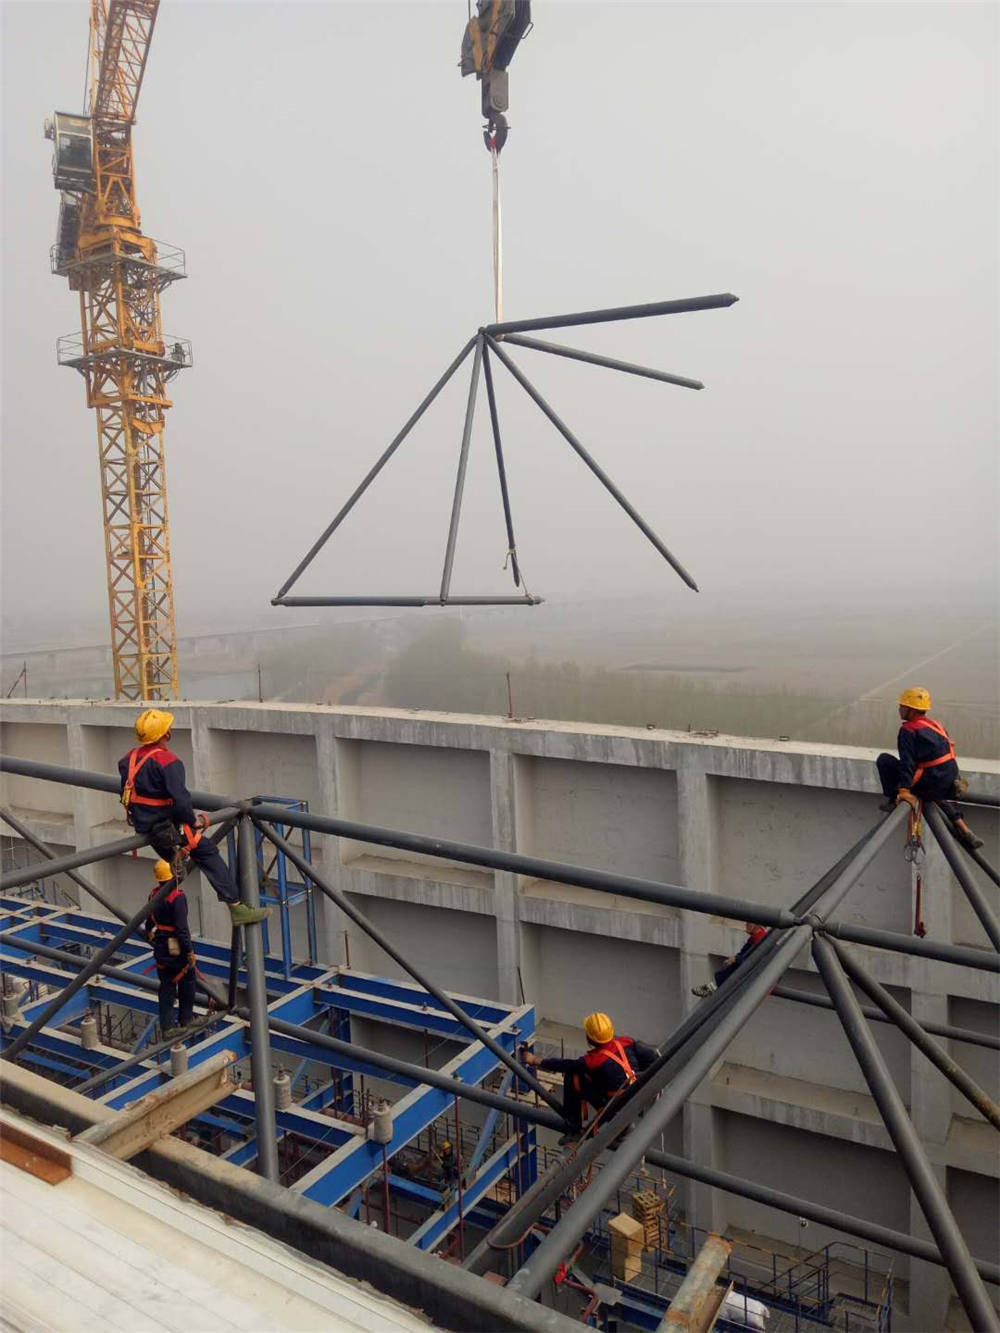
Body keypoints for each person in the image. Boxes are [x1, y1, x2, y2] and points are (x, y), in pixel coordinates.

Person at [120, 708, 269, 926]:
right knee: (208, 853)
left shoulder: (128, 760)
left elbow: (126, 793)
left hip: (144, 827)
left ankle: (175, 856)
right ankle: (236, 907)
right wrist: (194, 822)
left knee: (182, 846)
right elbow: (181, 800)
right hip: (166, 828)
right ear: (165, 735)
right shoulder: (167, 762)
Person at [521, 1012, 658, 1145]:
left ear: (590, 1038)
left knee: (572, 1074)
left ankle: (574, 1128)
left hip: (613, 1105)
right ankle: (622, 1123)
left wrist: (535, 1060)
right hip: (638, 1094)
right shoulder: (626, 1042)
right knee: (598, 1078)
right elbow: (653, 1058)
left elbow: (564, 1065)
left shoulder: (593, 1061)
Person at [876, 688, 983, 849]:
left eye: (902, 706)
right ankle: (964, 828)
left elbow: (907, 763)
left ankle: (893, 799)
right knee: (933, 790)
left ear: (910, 709)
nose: (899, 709)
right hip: (949, 781)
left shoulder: (908, 730)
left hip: (930, 783)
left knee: (884, 760)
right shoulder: (936, 726)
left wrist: (904, 791)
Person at [146, 859, 196, 1038]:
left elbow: (149, 918)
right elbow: (182, 929)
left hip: (161, 944)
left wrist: (148, 932)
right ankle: (186, 1019)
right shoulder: (177, 897)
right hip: (175, 946)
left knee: (167, 985)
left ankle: (167, 1027)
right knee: (188, 978)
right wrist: (189, 951)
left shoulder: (154, 895)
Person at [692, 921, 768, 998]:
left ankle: (712, 988)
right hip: (748, 973)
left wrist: (736, 959)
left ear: (757, 925)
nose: (746, 925)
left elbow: (753, 962)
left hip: (754, 976)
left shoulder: (759, 939)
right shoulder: (755, 938)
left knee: (733, 968)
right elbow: (743, 954)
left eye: (749, 923)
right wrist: (733, 959)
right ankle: (712, 987)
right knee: (730, 967)